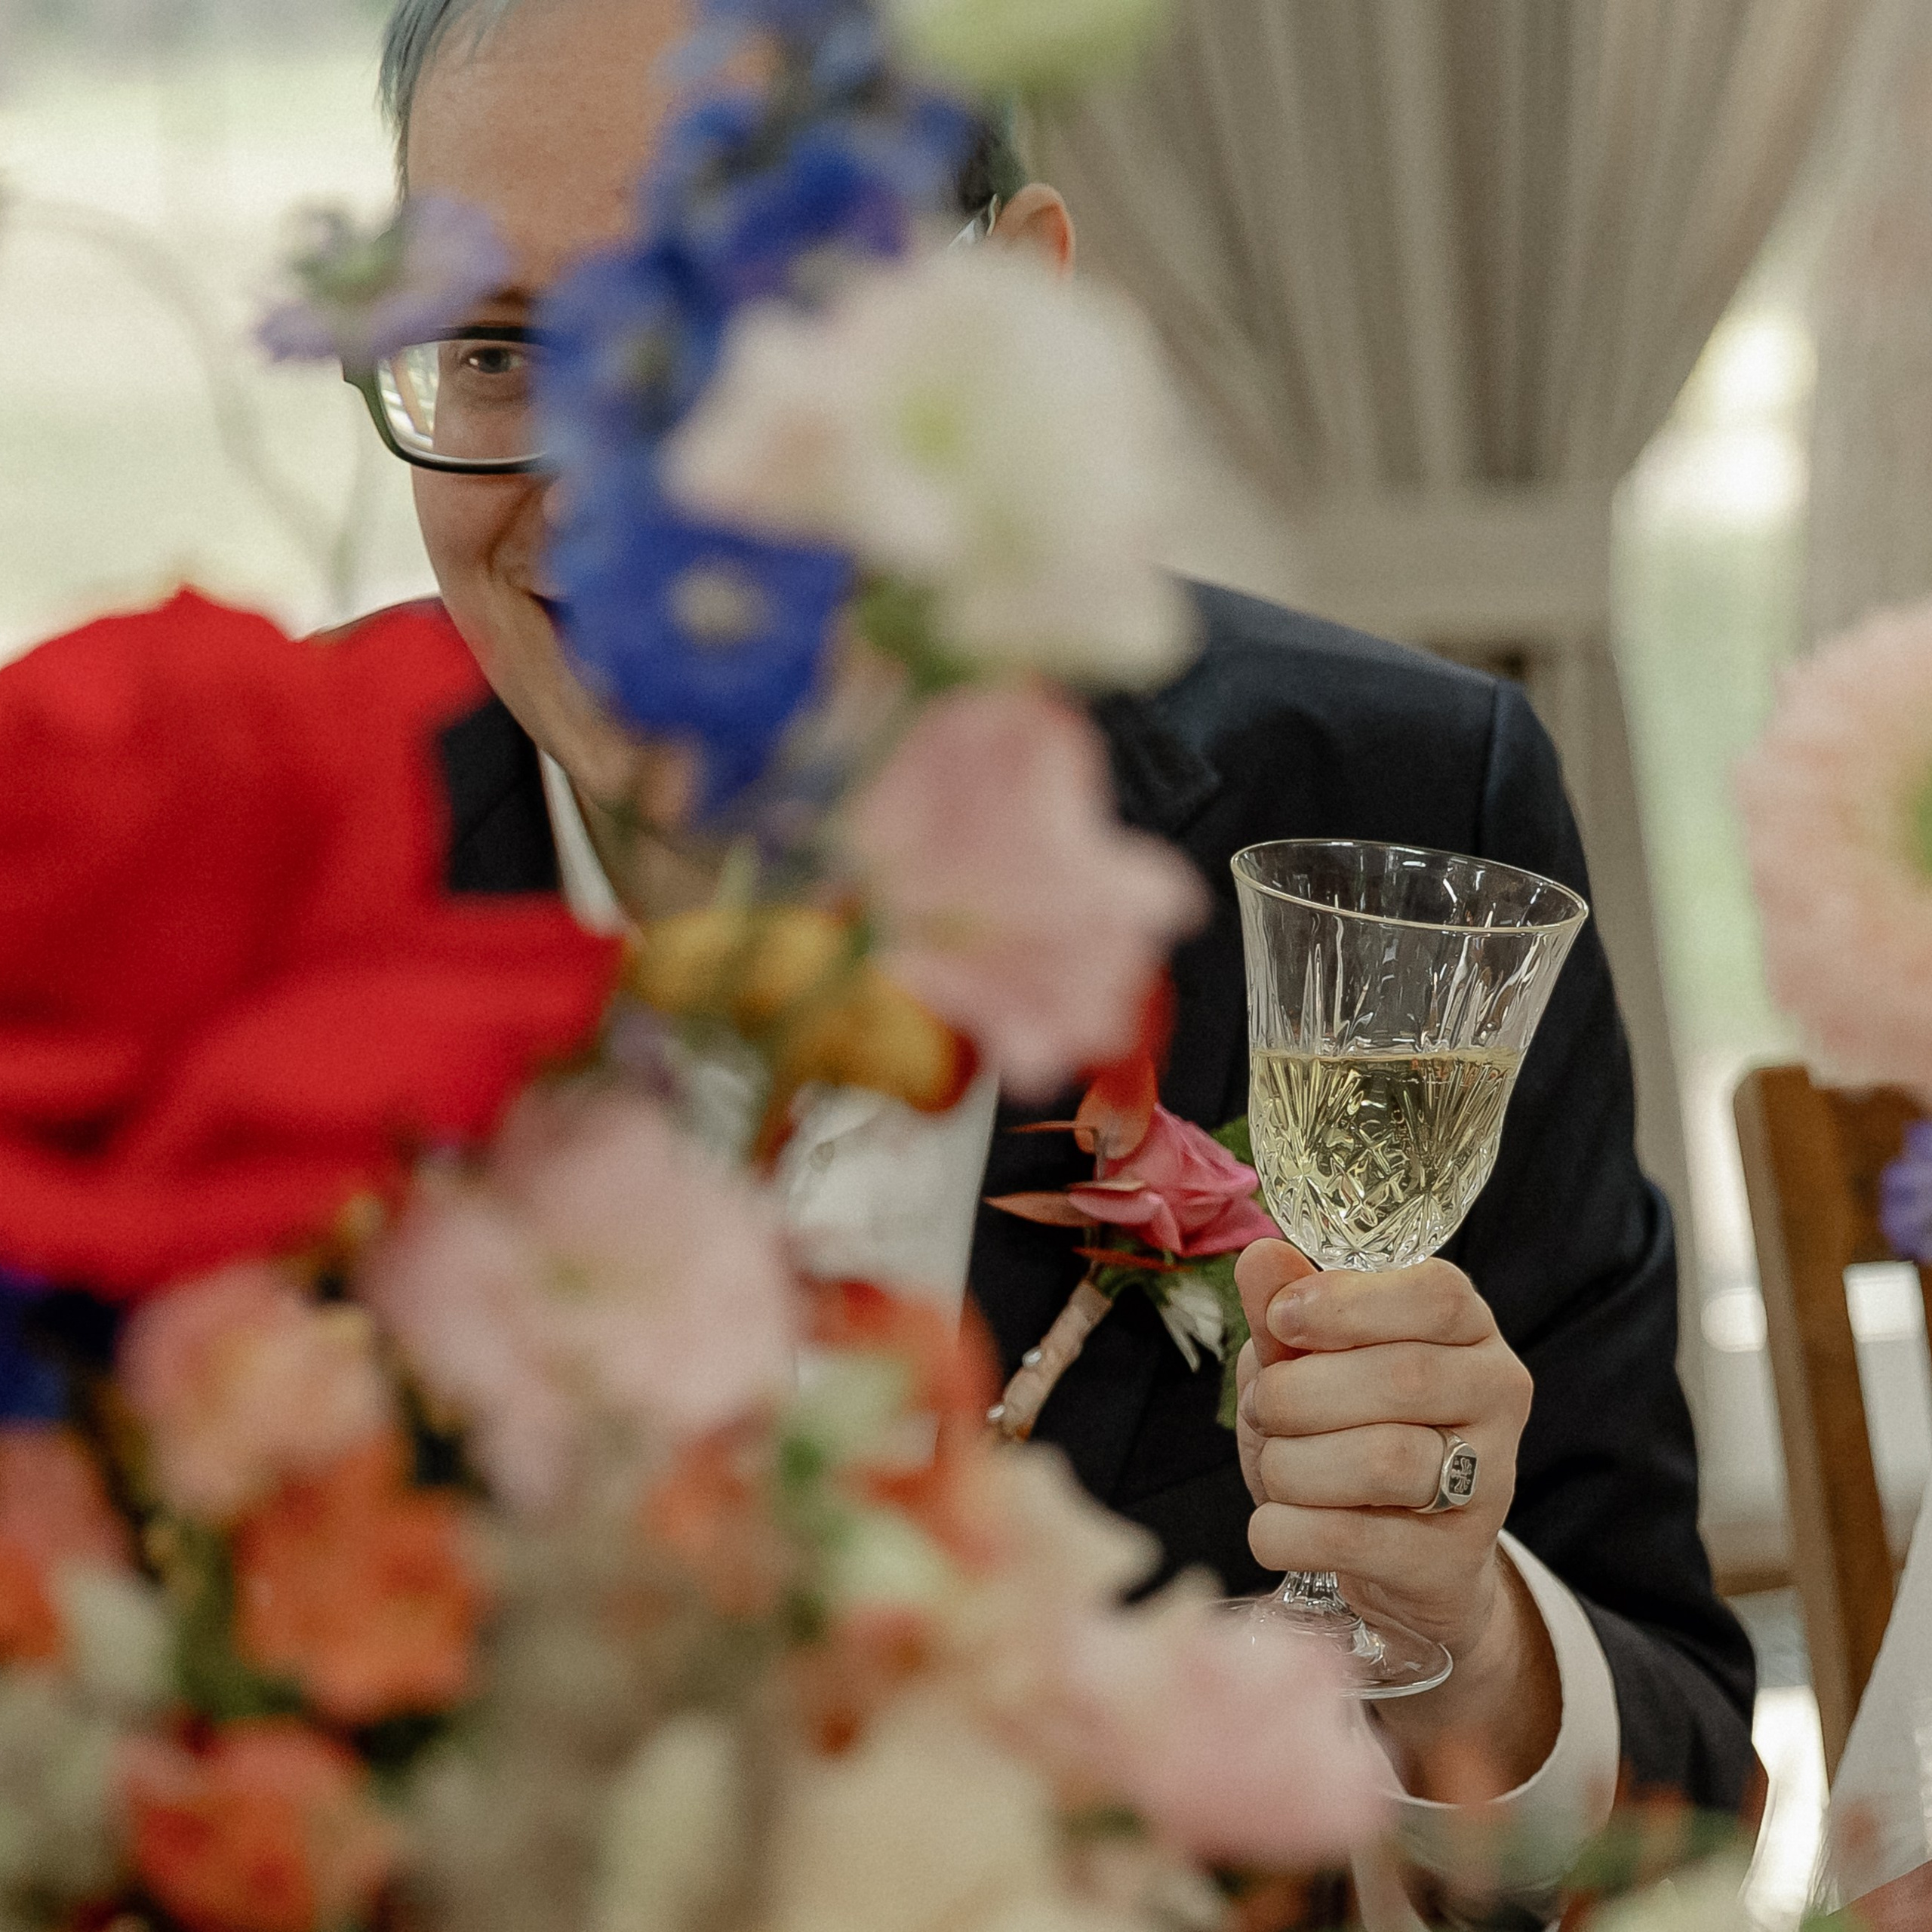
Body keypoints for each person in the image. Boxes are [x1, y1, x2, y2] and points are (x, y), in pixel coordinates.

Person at [365, 0, 1757, 1910]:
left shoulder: (1390, 809)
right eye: (505, 347)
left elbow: (1675, 1793)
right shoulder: (220, 870)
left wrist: (1466, 1634)